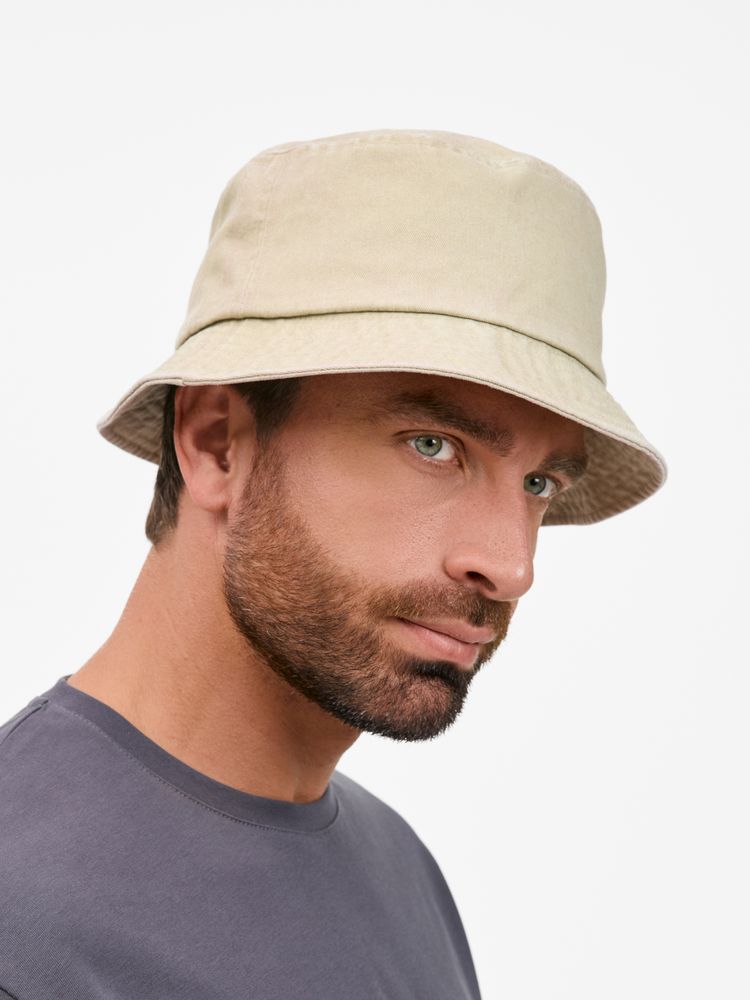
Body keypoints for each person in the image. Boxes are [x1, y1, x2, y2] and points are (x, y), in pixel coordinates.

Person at [0, 128, 666, 1000]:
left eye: (539, 483)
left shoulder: (400, 875)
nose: (510, 567)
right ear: (217, 443)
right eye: (434, 445)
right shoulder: (25, 920)